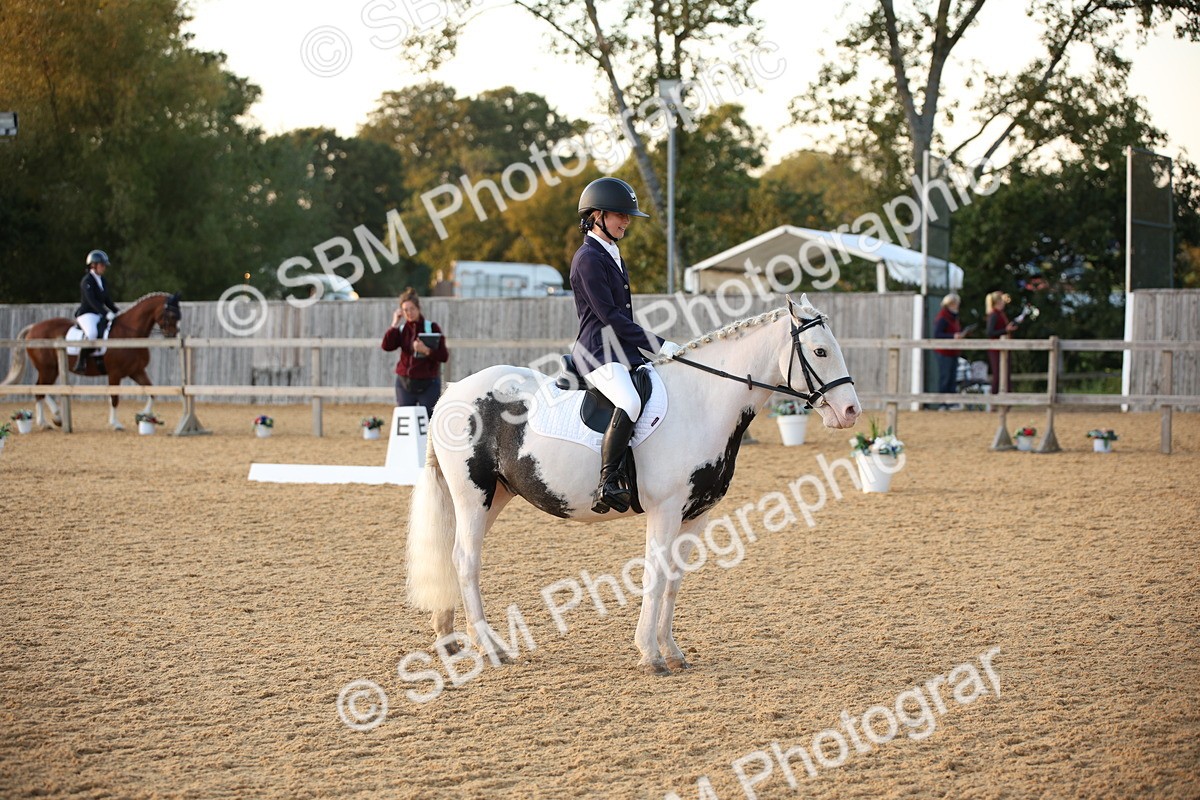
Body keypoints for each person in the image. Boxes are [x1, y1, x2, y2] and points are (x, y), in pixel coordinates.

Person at [571, 176, 682, 514]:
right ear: (597, 216)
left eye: (627, 215)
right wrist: (659, 345)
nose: (626, 221)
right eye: (620, 215)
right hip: (597, 351)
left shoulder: (613, 253)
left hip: (621, 350)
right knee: (631, 401)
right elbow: (611, 317)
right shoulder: (588, 259)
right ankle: (606, 482)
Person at [381, 287, 449, 418]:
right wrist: (394, 324)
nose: (409, 313)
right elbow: (386, 346)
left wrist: (426, 351)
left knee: (428, 422)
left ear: (418, 308)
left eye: (412, 309)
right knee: (407, 420)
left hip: (429, 384)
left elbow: (444, 356)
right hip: (404, 383)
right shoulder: (401, 330)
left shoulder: (432, 327)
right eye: (405, 310)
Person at [73, 249, 119, 374]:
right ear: (93, 265)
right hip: (86, 314)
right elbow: (92, 301)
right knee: (92, 333)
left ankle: (100, 358)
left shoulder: (102, 280)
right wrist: (106, 313)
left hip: (98, 314)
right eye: (102, 265)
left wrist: (117, 312)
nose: (104, 268)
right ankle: (81, 362)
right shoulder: (87, 280)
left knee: (109, 331)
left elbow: (107, 300)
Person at [932, 292, 964, 407]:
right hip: (944, 351)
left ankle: (951, 401)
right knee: (945, 377)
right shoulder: (943, 318)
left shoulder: (954, 318)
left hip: (953, 351)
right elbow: (937, 334)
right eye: (955, 304)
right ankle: (943, 403)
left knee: (952, 377)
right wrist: (952, 336)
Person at [985, 290, 1018, 395]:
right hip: (996, 348)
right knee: (998, 374)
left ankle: (1006, 396)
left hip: (1003, 347)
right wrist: (1006, 330)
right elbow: (990, 332)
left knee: (1005, 373)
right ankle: (995, 398)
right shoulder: (994, 314)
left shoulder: (1000, 314)